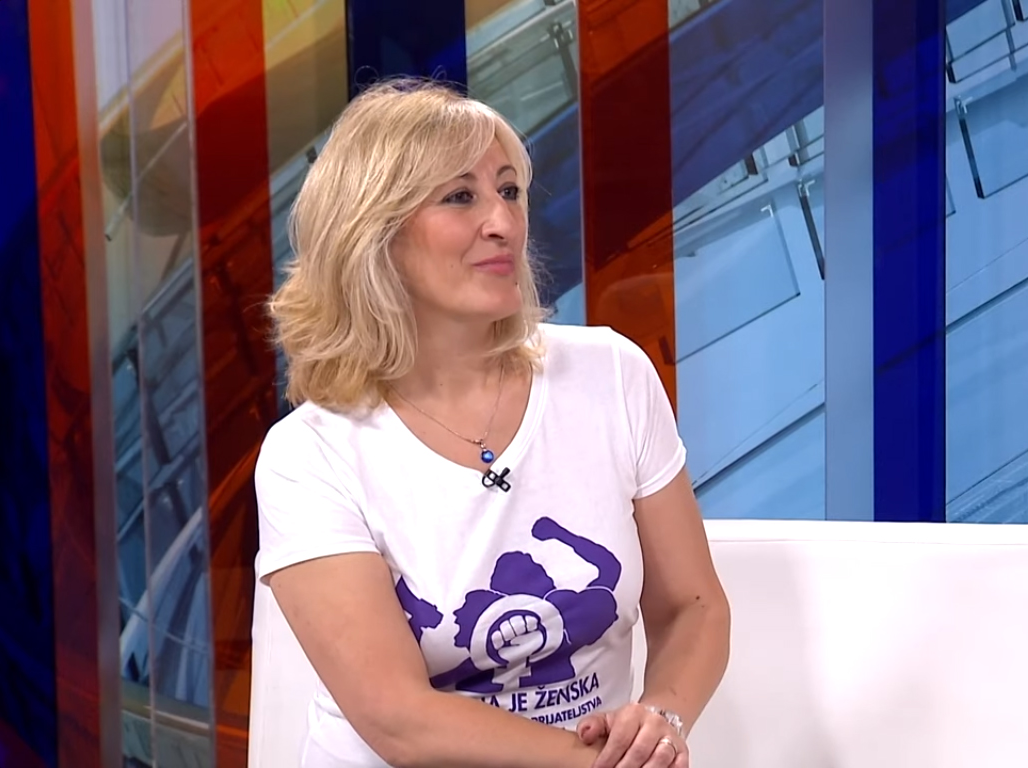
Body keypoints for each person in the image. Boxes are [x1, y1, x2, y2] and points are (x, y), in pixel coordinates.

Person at [253, 77, 731, 768]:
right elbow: (400, 721)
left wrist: (659, 719)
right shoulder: (309, 455)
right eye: (460, 197)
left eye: (508, 190)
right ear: (374, 233)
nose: (503, 221)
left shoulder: (611, 374)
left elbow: (693, 605)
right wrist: (601, 766)